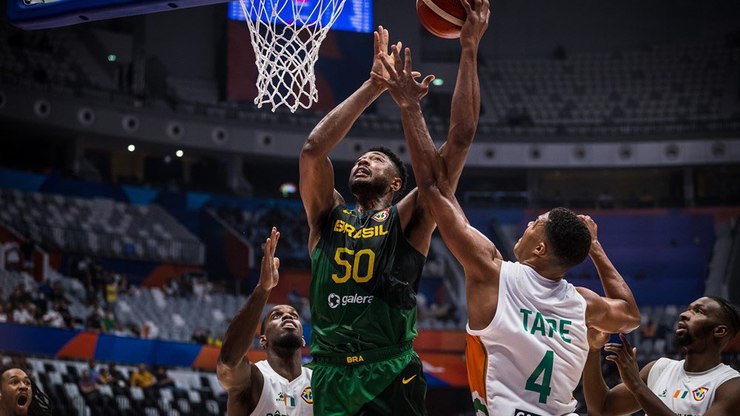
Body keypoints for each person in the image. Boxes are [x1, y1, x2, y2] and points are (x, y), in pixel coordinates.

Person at [373, 43, 641, 416]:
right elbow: (630, 314)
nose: (529, 224)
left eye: (537, 224)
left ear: (541, 250)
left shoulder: (492, 272)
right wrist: (594, 248)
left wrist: (411, 106)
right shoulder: (583, 304)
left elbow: (433, 189)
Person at [299, 3, 489, 414]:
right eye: (361, 158)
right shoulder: (327, 216)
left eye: (378, 159)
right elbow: (313, 152)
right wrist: (373, 86)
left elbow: (460, 139)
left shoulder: (411, 217)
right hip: (330, 371)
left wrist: (468, 48)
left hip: (388, 369)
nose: (364, 160)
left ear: (397, 182)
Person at [583, 296, 740, 416]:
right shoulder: (659, 369)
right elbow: (601, 409)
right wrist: (593, 349)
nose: (684, 314)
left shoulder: (731, 386)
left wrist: (637, 385)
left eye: (699, 311)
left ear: (719, 331)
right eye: (688, 309)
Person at [217, 228, 312, 416]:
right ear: (263, 340)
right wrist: (263, 289)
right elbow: (228, 362)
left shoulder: (318, 381)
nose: (288, 316)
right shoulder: (253, 379)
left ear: (303, 339)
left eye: (294, 315)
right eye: (276, 316)